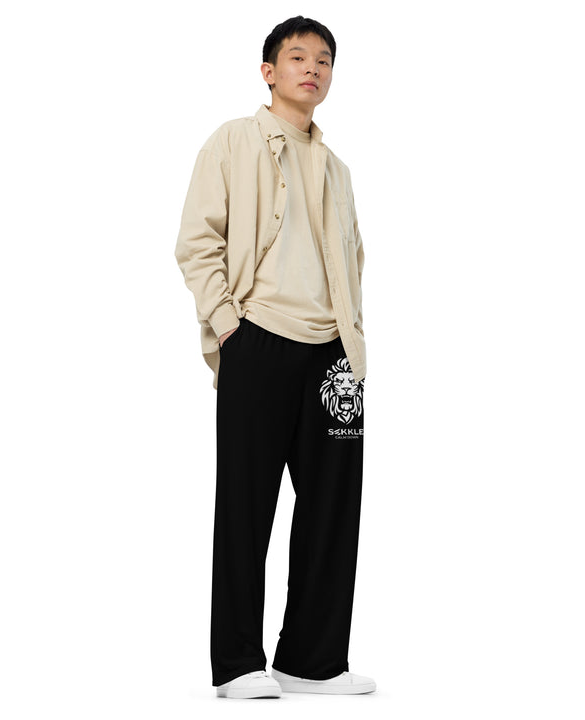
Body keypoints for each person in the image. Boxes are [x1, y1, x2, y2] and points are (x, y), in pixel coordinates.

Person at [175, 16, 375, 699]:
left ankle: (312, 662)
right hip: (257, 337)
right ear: (269, 71)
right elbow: (197, 241)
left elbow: (353, 260)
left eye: (324, 60)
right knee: (246, 503)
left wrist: (354, 344)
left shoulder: (338, 169)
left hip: (335, 357)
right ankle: (237, 663)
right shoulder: (232, 142)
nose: (312, 68)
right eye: (297, 57)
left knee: (333, 510)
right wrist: (227, 325)